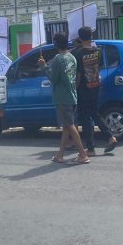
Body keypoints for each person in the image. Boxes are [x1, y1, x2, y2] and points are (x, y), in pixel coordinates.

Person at [39, 32, 90, 165]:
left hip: (62, 97)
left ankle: (83, 154)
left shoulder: (58, 59)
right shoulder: (71, 58)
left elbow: (53, 78)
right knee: (67, 128)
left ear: (55, 44)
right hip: (72, 95)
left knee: (69, 126)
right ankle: (60, 155)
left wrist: (44, 67)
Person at [73, 26, 117, 156]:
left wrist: (75, 89)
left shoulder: (78, 53)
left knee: (85, 118)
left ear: (80, 38)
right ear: (91, 36)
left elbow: (79, 74)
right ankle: (110, 137)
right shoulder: (98, 51)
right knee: (95, 114)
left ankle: (91, 148)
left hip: (83, 88)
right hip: (95, 85)